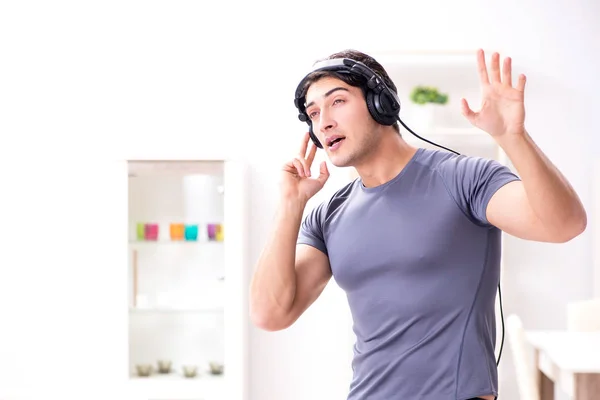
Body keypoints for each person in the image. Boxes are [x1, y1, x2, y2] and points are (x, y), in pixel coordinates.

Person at [249, 49, 587, 400]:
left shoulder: (463, 178)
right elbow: (270, 314)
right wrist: (291, 205)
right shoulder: (328, 215)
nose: (323, 122)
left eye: (337, 102)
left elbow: (565, 225)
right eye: (313, 113)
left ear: (382, 102)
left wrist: (513, 137)